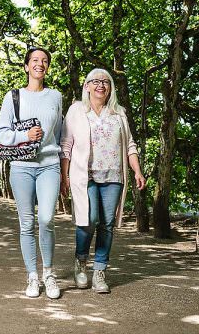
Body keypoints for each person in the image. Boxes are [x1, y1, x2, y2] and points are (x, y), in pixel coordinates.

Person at [60, 68, 146, 293]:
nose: (101, 85)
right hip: (84, 175)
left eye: (106, 82)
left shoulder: (119, 113)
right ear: (86, 86)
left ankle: (99, 271)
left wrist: (137, 171)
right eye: (95, 81)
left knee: (107, 224)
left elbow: (130, 145)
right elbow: (66, 146)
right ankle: (80, 262)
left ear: (110, 88)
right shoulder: (76, 110)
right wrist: (64, 176)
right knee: (89, 219)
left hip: (113, 177)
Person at [0, 47, 63, 299]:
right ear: (26, 66)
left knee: (46, 219)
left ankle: (49, 274)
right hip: (21, 167)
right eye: (35, 60)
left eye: (44, 61)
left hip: (49, 165)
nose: (40, 64)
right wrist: (24, 135)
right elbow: (1, 133)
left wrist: (64, 169)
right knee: (26, 224)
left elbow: (60, 132)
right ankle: (32, 277)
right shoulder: (13, 97)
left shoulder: (56, 96)